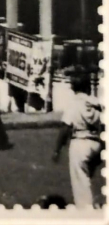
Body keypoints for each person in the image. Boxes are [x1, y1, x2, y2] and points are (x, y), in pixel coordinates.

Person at [53, 71, 103, 208]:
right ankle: (95, 205)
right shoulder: (96, 103)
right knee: (89, 177)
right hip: (97, 143)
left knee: (80, 182)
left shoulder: (74, 103)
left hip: (80, 143)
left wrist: (57, 149)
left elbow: (65, 127)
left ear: (74, 87)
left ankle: (86, 213)